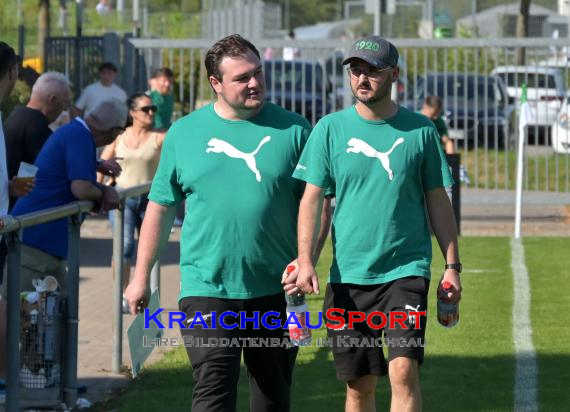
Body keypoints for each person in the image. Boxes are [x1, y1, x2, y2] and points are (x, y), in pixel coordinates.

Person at [124, 34, 331, 412]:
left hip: (276, 290)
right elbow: (160, 207)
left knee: (272, 399)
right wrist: (140, 277)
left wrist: (306, 260)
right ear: (215, 84)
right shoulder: (184, 134)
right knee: (212, 392)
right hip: (207, 289)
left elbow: (317, 203)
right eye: (242, 78)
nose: (255, 83)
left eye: (258, 73)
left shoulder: (295, 130)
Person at [290, 36, 462, 412]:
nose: (362, 78)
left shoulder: (420, 130)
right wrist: (305, 259)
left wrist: (452, 267)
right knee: (358, 387)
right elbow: (314, 201)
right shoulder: (329, 129)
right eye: (356, 70)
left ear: (394, 75)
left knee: (403, 371)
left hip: (406, 270)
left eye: (372, 70)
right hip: (349, 276)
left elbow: (438, 199)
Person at [98, 92, 166, 293]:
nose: (151, 113)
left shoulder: (160, 136)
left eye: (153, 109)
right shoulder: (119, 136)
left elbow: (180, 156)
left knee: (150, 249)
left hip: (149, 199)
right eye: (146, 109)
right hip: (122, 198)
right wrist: (96, 193)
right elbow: (101, 164)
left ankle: (145, 291)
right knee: (124, 247)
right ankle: (122, 294)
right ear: (133, 113)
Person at [4, 71, 71, 210]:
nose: (65, 109)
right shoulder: (36, 125)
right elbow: (62, 165)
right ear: (52, 100)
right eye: (65, 103)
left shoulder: (16, 115)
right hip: (20, 212)